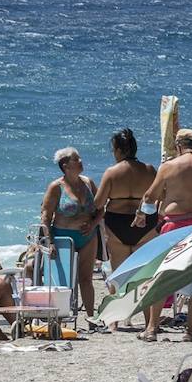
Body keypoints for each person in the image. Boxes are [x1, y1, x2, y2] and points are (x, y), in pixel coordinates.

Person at [134, 129, 192, 341]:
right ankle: (190, 331)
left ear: (178, 145)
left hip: (174, 225)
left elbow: (150, 196)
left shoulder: (168, 167)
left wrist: (142, 213)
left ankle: (151, 329)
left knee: (163, 275)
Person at [93, 129, 159, 333]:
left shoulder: (112, 172)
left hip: (117, 224)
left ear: (120, 150)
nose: (113, 153)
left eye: (114, 150)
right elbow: (158, 197)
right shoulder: (149, 170)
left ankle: (114, 322)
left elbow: (98, 203)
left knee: (118, 274)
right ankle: (149, 322)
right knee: (146, 275)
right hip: (145, 224)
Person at [41, 147, 101, 320]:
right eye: (76, 159)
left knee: (86, 278)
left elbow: (101, 208)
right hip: (63, 237)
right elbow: (46, 216)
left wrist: (93, 223)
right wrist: (49, 242)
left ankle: (91, 317)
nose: (81, 160)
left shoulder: (88, 183)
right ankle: (59, 316)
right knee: (62, 280)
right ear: (65, 165)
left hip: (88, 236)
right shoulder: (56, 187)